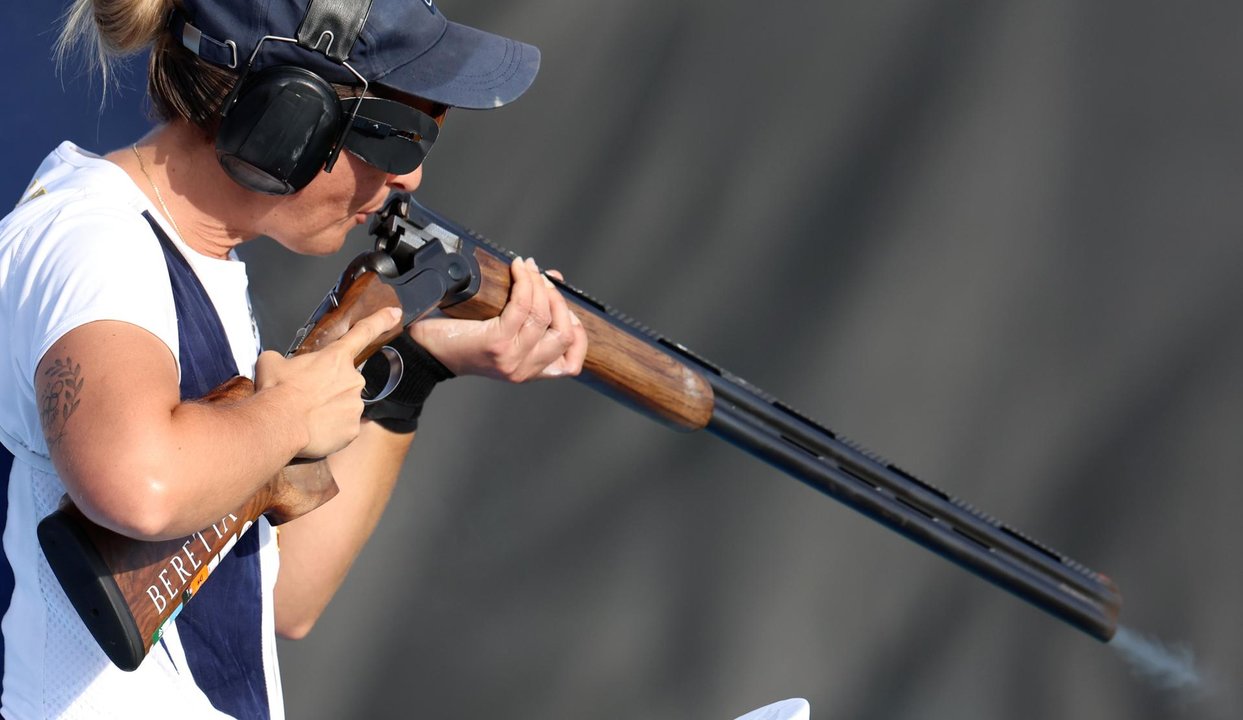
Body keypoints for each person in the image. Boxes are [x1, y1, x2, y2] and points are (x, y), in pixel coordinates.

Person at [0, 0, 587, 717]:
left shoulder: (198, 263)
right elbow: (142, 485)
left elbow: (283, 598)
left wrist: (410, 372)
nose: (411, 180)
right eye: (401, 137)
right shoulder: (94, 241)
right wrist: (289, 413)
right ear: (287, 120)